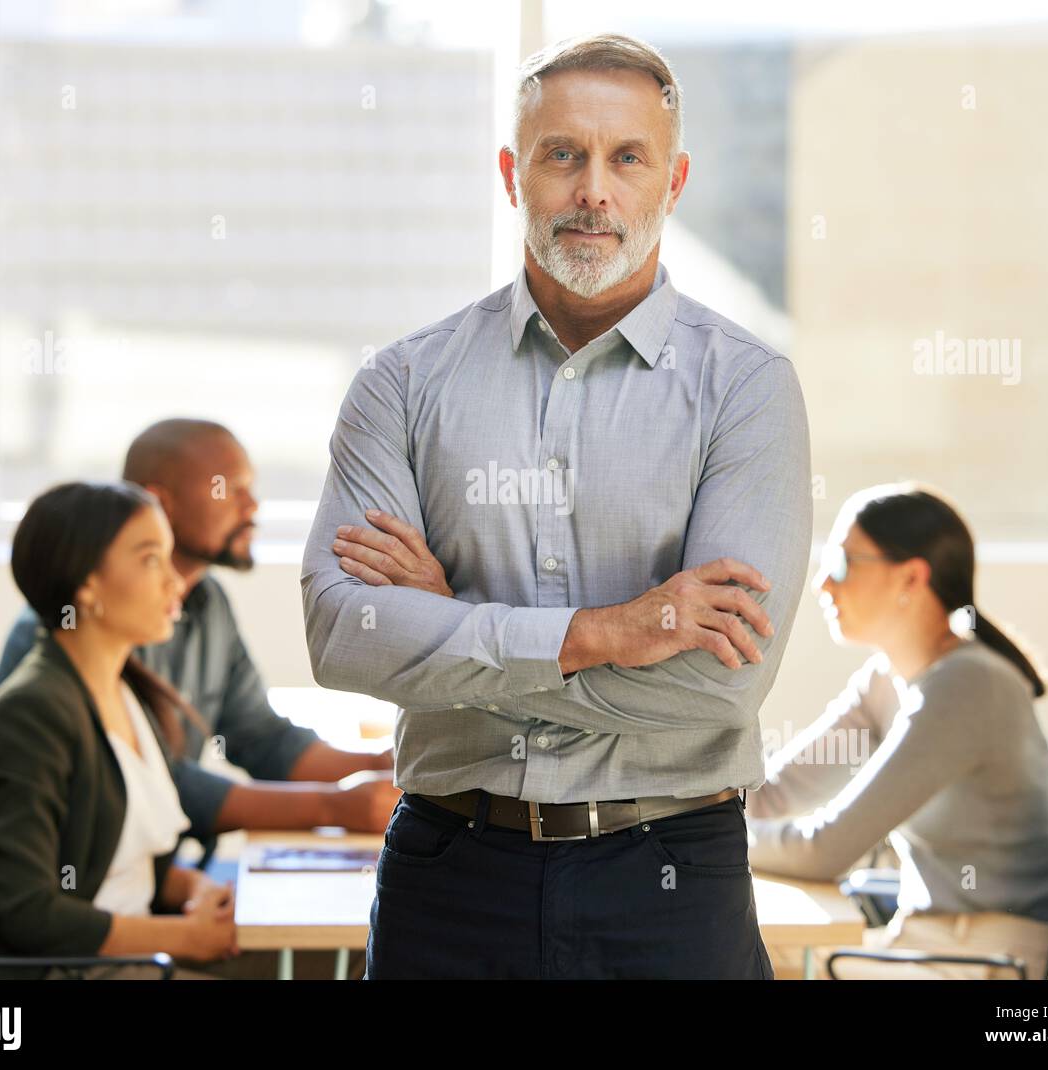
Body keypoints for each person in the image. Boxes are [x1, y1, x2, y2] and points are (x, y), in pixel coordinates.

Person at [301, 33, 812, 979]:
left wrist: (452, 628)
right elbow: (346, 633)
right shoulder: (402, 384)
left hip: (669, 874)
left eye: (627, 158)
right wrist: (606, 632)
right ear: (512, 172)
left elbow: (721, 680)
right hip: (449, 874)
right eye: (562, 154)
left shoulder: (748, 388)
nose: (594, 192)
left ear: (675, 179)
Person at [0, 420, 401, 847]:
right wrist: (332, 806)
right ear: (158, 502)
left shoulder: (206, 601)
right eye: (230, 489)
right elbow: (145, 777)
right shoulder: (81, 628)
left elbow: (259, 737)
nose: (252, 506)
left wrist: (388, 766)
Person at [745, 482, 1048, 980]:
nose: (821, 585)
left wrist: (710, 842)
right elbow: (773, 795)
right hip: (926, 939)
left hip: (983, 959)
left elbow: (825, 850)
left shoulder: (966, 686)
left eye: (842, 564)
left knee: (748, 958)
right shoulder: (886, 679)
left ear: (912, 577)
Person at [0, 481, 239, 979]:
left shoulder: (124, 690)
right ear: (86, 585)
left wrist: (194, 889)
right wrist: (184, 937)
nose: (175, 582)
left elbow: (116, 865)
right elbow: (27, 911)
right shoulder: (32, 713)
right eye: (151, 560)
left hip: (134, 959)